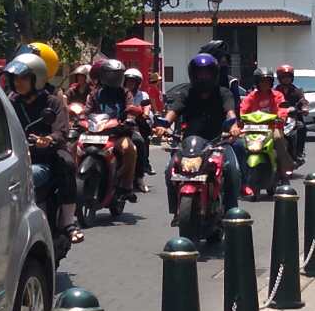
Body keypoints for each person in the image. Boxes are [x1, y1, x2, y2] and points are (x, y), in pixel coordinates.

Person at [6, 53, 83, 244]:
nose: (18, 83)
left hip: (46, 156)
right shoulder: (11, 102)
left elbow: (61, 129)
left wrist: (48, 138)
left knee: (66, 163)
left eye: (23, 78)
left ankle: (68, 222)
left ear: (36, 79)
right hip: (17, 156)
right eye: (15, 78)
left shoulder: (52, 102)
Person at [159, 53, 243, 214]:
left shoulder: (223, 93)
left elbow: (230, 112)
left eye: (207, 73)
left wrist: (233, 126)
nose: (203, 77)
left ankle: (231, 211)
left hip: (218, 142)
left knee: (232, 169)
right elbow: (173, 112)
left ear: (214, 74)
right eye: (199, 73)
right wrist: (163, 125)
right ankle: (176, 209)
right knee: (170, 169)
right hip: (190, 144)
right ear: (193, 74)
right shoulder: (186, 93)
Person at [88, 59, 138, 197]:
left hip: (117, 134)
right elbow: (86, 110)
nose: (114, 78)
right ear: (103, 75)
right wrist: (79, 118)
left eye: (117, 75)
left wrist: (130, 119)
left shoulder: (125, 93)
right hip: (94, 133)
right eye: (110, 75)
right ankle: (73, 182)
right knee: (73, 146)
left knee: (130, 149)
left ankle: (126, 185)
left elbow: (130, 109)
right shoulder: (95, 93)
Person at [239, 68, 295, 182]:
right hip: (253, 129)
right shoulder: (251, 96)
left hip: (273, 127)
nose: (265, 83)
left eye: (267, 81)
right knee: (239, 143)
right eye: (262, 81)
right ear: (257, 82)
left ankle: (284, 173)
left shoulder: (277, 95)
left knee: (278, 139)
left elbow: (282, 109)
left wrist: (280, 117)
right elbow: (243, 110)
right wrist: (240, 119)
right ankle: (241, 176)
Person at [124, 68, 154, 190]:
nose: (130, 84)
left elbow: (146, 108)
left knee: (140, 142)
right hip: (119, 124)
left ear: (138, 83)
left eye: (133, 82)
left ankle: (140, 177)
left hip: (137, 124)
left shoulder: (143, 95)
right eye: (128, 81)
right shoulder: (121, 93)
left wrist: (143, 113)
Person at [273, 63, 308, 161]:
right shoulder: (275, 91)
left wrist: (304, 108)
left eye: (288, 77)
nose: (286, 79)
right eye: (284, 77)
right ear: (280, 78)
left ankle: (299, 152)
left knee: (302, 128)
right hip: (277, 119)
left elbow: (303, 101)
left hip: (293, 119)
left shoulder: (297, 91)